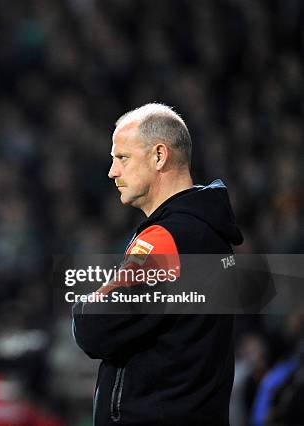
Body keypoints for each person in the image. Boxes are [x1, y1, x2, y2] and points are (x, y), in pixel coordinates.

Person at [72, 103, 243, 425]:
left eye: (122, 158)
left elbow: (95, 328)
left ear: (159, 156)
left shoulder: (166, 238)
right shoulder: (208, 233)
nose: (112, 171)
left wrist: (85, 304)